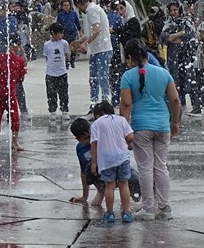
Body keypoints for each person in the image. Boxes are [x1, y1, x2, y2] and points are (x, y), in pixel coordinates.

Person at [119, 39, 180, 221]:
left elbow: (126, 104)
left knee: (145, 167)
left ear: (129, 57)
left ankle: (148, 207)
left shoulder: (128, 76)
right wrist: (175, 123)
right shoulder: (163, 73)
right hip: (162, 126)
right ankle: (164, 207)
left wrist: (123, 130)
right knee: (161, 166)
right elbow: (175, 101)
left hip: (141, 127)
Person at [89, 100, 136, 224]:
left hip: (106, 159)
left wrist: (94, 163)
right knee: (123, 184)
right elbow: (131, 137)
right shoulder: (121, 120)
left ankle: (110, 214)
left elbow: (94, 144)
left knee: (109, 187)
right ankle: (126, 213)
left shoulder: (96, 124)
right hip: (122, 157)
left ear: (97, 114)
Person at [0, 38, 27, 155]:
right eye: (18, 46)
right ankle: (14, 143)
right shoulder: (19, 60)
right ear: (16, 46)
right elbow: (21, 78)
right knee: (14, 117)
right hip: (10, 94)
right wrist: (14, 80)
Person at [71, 0, 113, 109]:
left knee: (102, 78)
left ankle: (105, 104)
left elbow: (97, 30)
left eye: (78, 7)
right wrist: (80, 40)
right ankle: (94, 104)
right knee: (94, 78)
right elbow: (92, 32)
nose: (79, 10)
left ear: (80, 4)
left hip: (102, 50)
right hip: (97, 51)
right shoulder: (94, 9)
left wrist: (85, 44)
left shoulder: (91, 10)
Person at [161, 1, 200, 117]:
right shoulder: (168, 23)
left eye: (175, 10)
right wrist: (179, 34)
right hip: (173, 57)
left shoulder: (186, 21)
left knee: (188, 79)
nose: (173, 12)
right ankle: (180, 106)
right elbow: (163, 37)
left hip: (186, 56)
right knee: (175, 80)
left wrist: (174, 37)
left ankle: (196, 106)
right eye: (171, 10)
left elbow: (190, 35)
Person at [68, 117, 105, 207]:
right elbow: (83, 173)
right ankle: (102, 190)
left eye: (90, 136)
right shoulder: (80, 149)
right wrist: (84, 196)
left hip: (114, 173)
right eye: (86, 138)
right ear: (78, 139)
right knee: (89, 168)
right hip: (100, 177)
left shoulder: (101, 140)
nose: (90, 140)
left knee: (134, 180)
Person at [43, 23, 71, 125]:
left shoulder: (64, 43)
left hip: (62, 72)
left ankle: (64, 111)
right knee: (51, 93)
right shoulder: (47, 45)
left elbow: (67, 54)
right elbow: (47, 57)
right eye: (59, 33)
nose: (61, 35)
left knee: (63, 92)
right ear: (53, 33)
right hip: (51, 73)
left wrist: (67, 63)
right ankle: (52, 111)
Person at [56, 0, 81, 68]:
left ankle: (72, 60)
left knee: (74, 47)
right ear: (62, 7)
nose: (66, 6)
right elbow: (58, 24)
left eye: (67, 5)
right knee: (66, 48)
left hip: (73, 32)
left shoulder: (73, 13)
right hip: (65, 33)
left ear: (70, 6)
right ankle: (66, 62)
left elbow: (77, 23)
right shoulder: (60, 15)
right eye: (65, 5)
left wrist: (80, 31)